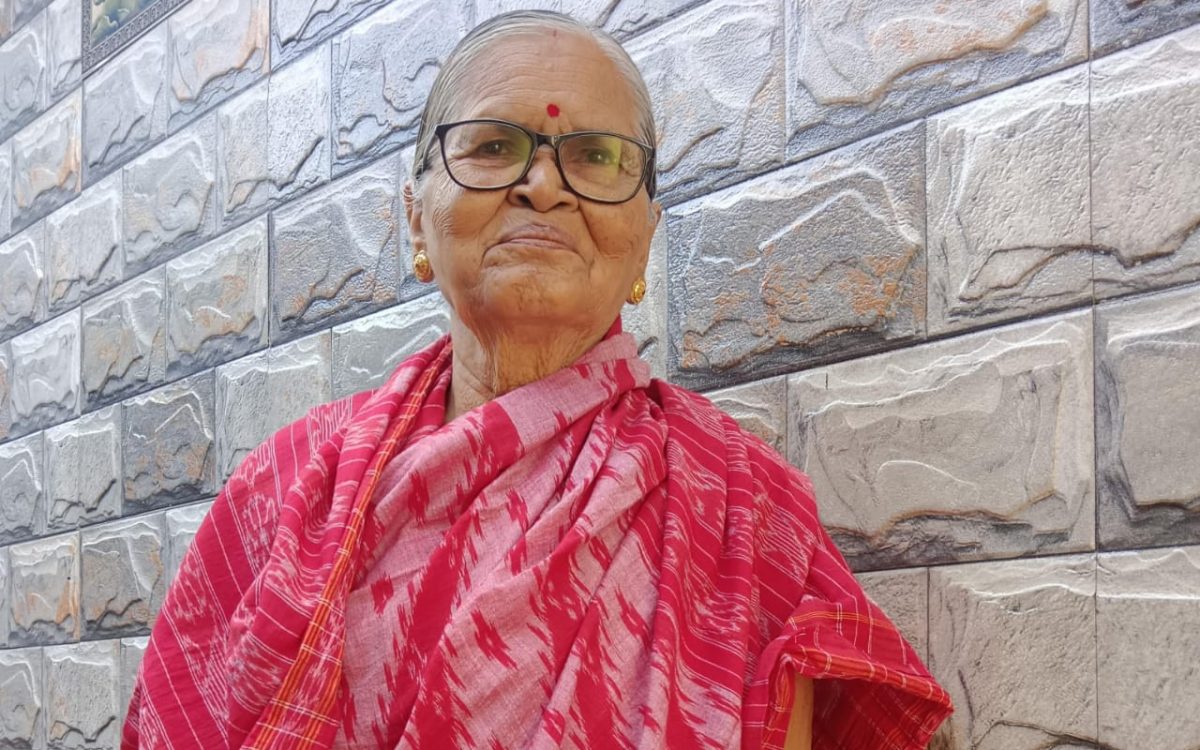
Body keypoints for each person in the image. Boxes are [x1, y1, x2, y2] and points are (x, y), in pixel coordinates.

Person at [122, 10, 951, 750]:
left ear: (645, 237)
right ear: (415, 219)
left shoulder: (740, 509)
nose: (544, 185)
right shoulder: (289, 489)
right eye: (493, 146)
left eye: (596, 157)